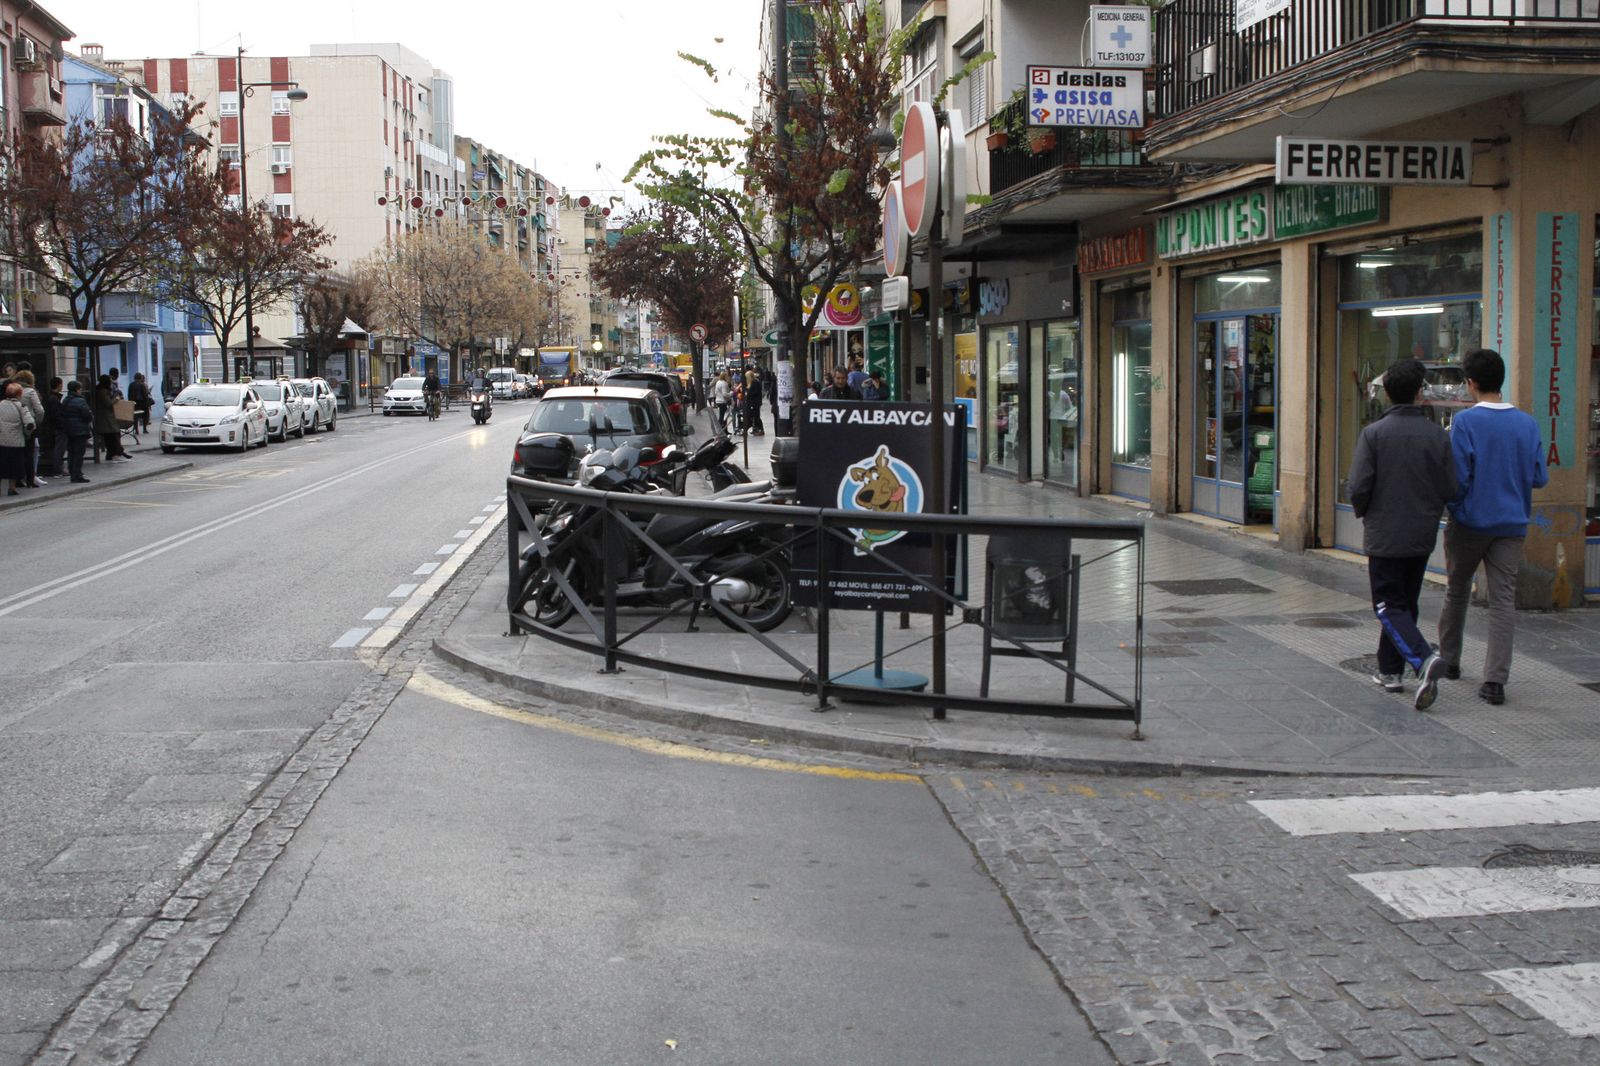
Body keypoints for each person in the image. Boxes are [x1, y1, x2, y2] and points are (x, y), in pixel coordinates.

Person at [1437, 347, 1549, 706]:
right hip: (1511, 524)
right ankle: (1495, 681)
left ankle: (1450, 661)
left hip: (1470, 523)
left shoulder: (1467, 423)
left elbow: (1458, 478)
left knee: (1456, 592)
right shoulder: (1527, 423)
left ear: (1471, 383)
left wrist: (1456, 508)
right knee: (1503, 600)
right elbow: (1539, 477)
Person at [1346, 358, 1456, 710]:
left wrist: (1364, 512)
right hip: (1421, 533)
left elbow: (1359, 486)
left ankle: (1423, 660)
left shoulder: (1374, 434)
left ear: (1388, 394)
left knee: (1386, 604)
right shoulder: (1437, 435)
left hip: (1385, 532)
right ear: (1420, 394)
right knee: (1403, 604)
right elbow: (1450, 486)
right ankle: (1389, 670)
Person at [11, 369, 46, 486]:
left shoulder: (13, 390)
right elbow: (40, 410)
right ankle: (30, 479)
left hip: (15, 425)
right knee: (29, 453)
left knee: (17, 453)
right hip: (29, 425)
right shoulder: (31, 391)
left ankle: (18, 480)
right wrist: (36, 422)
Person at [0, 382, 33, 496]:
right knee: (14, 465)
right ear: (19, 394)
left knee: (1, 464)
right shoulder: (21, 406)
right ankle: (12, 488)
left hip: (1, 440)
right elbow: (30, 424)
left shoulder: (0, 404)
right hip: (16, 441)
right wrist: (27, 434)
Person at [61, 380, 93, 482]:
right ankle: (77, 474)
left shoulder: (65, 400)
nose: (81, 391)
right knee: (79, 453)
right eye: (80, 389)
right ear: (77, 389)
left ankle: (72, 471)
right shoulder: (80, 400)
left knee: (71, 452)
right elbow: (87, 415)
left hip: (69, 430)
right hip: (80, 431)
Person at [93, 374, 125, 463]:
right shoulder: (102, 391)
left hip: (107, 418)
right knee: (113, 436)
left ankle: (111, 454)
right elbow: (108, 403)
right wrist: (116, 399)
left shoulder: (103, 390)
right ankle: (115, 454)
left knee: (110, 437)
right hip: (106, 418)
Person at [41, 376, 65, 478]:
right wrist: (62, 426)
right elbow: (56, 415)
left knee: (55, 449)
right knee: (58, 449)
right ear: (59, 385)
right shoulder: (54, 399)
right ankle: (57, 470)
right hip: (56, 428)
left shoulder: (49, 397)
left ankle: (56, 469)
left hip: (51, 427)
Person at [743, 369, 764, 436]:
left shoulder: (755, 382)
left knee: (754, 416)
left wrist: (747, 392)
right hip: (752, 403)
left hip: (754, 403)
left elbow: (754, 392)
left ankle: (759, 429)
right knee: (754, 416)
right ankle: (755, 429)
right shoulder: (752, 382)